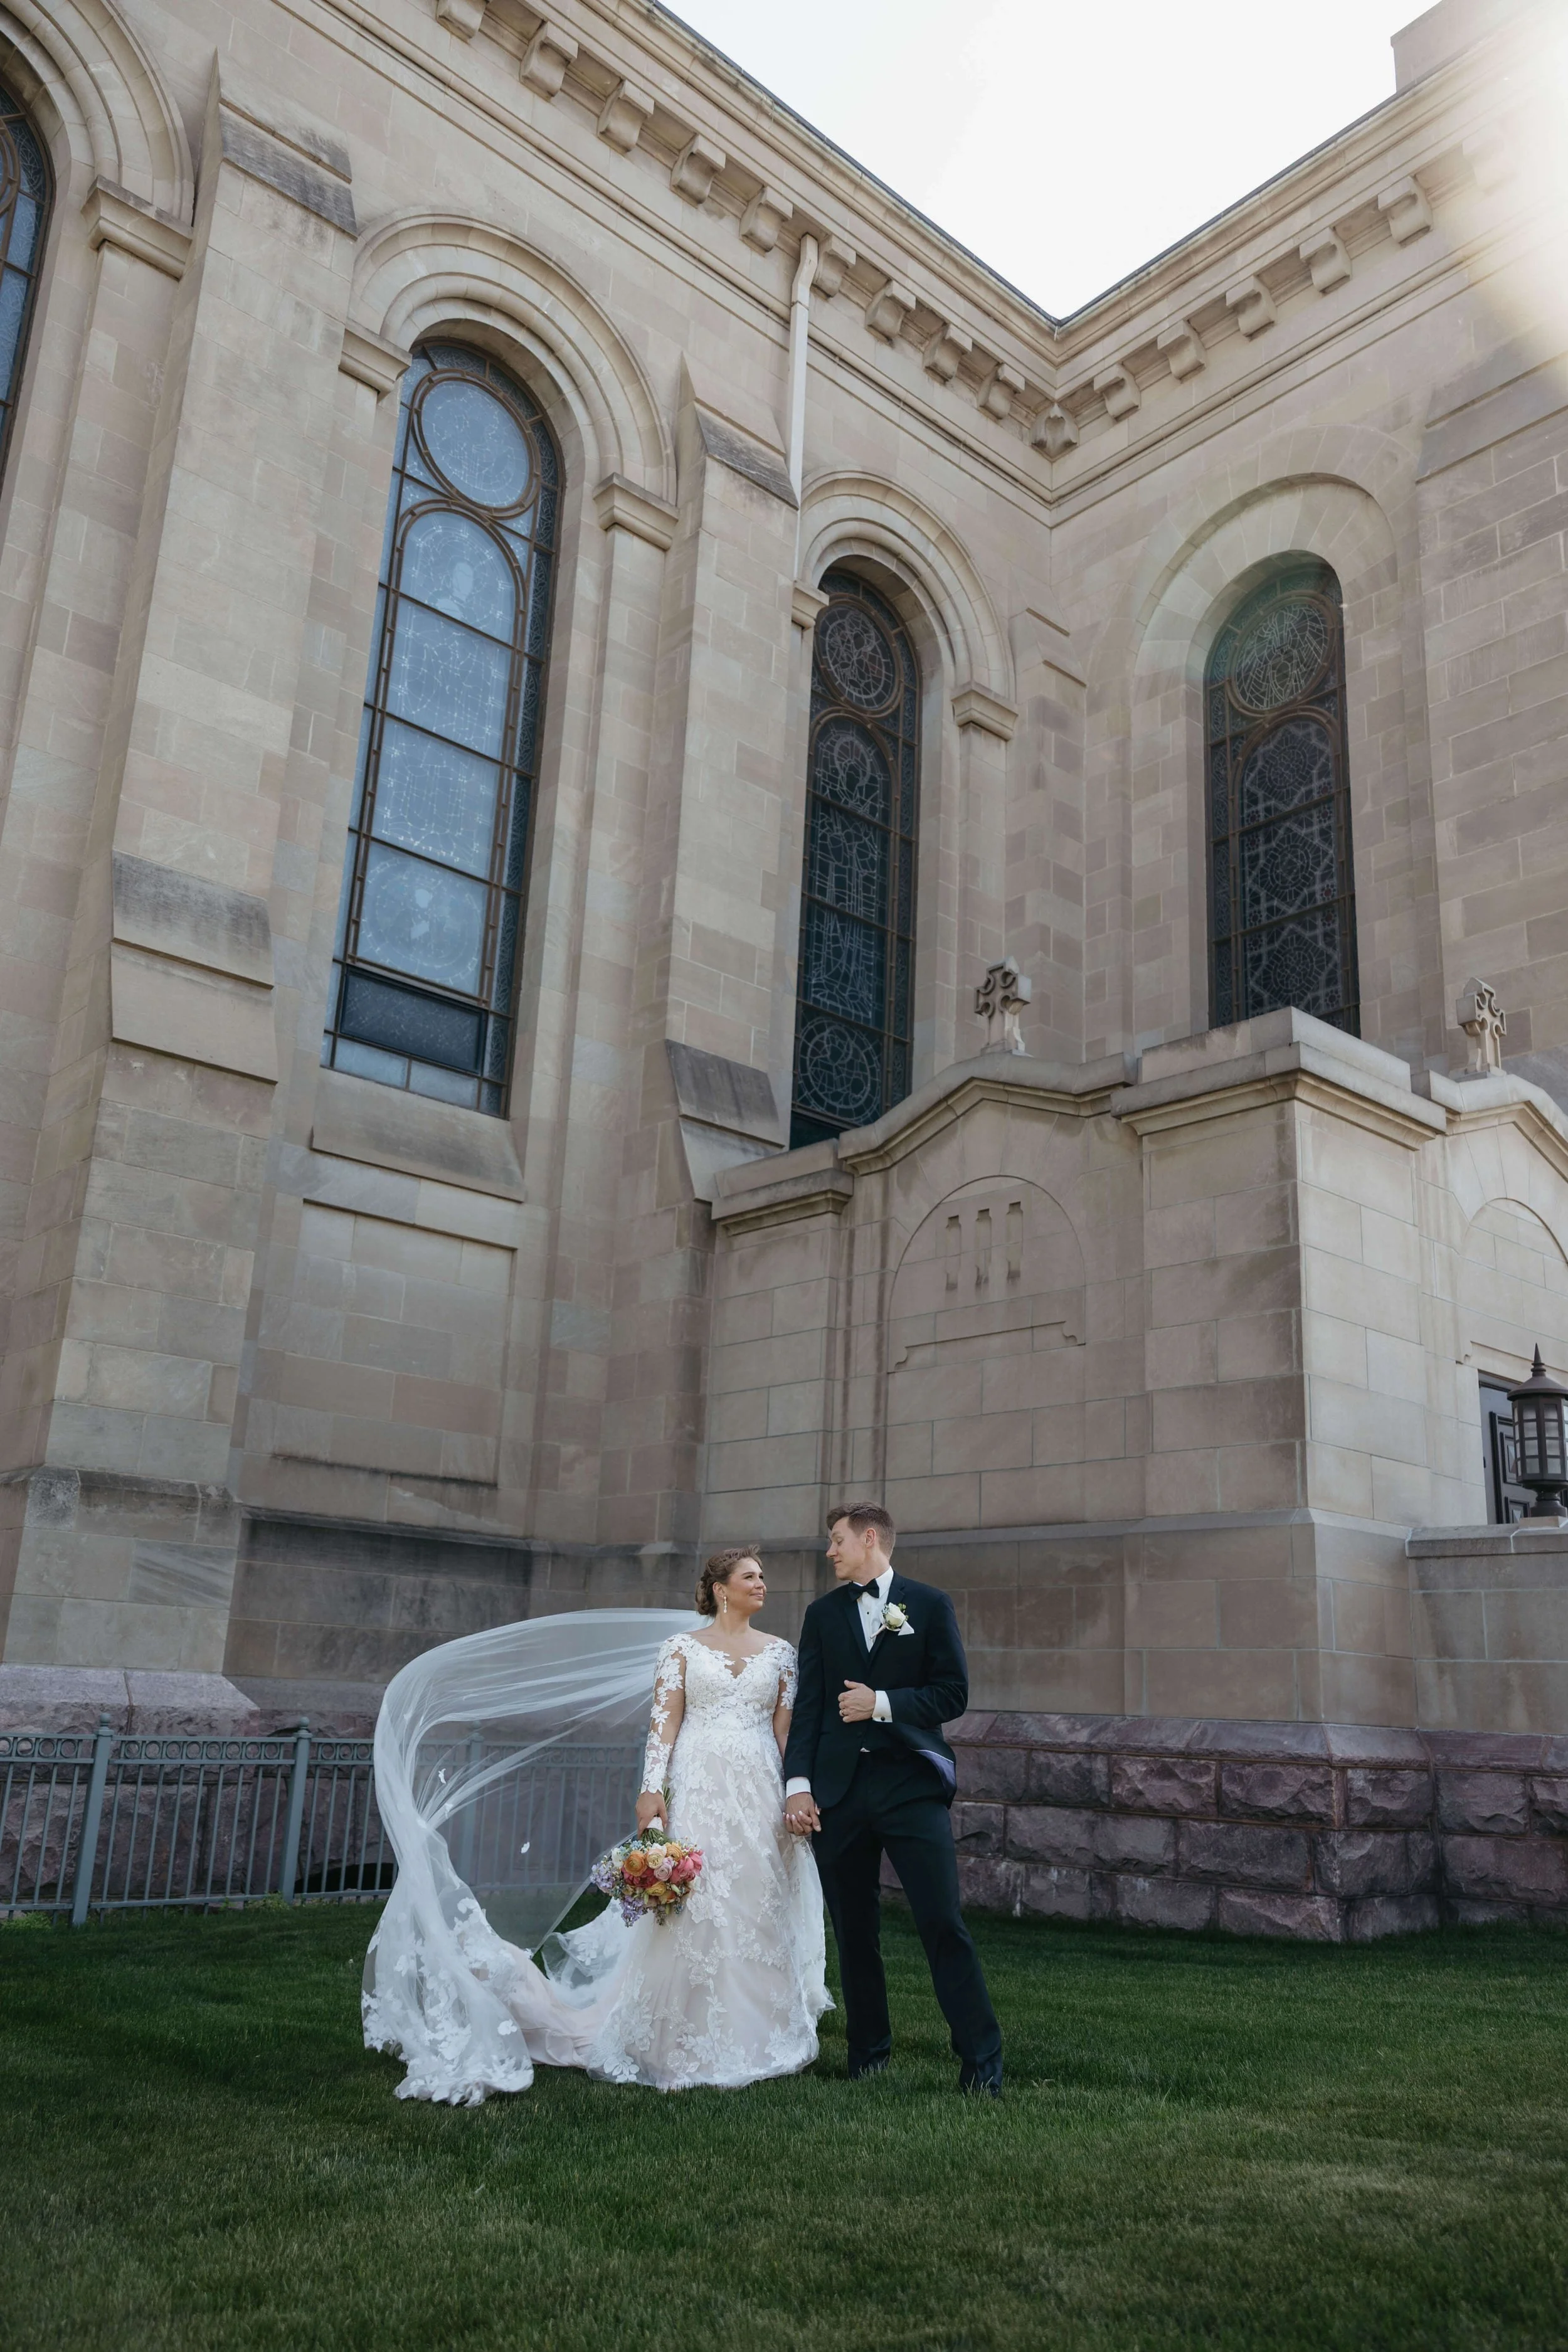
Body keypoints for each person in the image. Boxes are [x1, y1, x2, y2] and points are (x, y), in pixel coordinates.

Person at [366, 1548, 829, 2099]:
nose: (763, 1585)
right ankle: (680, 2035)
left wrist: (797, 1791)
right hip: (701, 1784)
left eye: (763, 1578)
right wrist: (651, 1790)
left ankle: (760, 2029)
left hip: (759, 1787)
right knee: (699, 1903)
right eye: (751, 1577)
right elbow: (665, 1724)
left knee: (757, 1901)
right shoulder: (682, 1649)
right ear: (721, 1589)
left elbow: (786, 1732)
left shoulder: (781, 1654)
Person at [783, 1502, 1003, 2097]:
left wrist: (881, 1703)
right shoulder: (822, 1614)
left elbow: (952, 1694)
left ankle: (982, 2060)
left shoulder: (928, 1605)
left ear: (869, 1538)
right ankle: (868, 2055)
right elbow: (808, 1709)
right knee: (855, 1933)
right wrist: (797, 1784)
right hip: (839, 1794)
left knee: (941, 1922)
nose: (829, 1552)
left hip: (910, 1789)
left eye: (836, 1541)